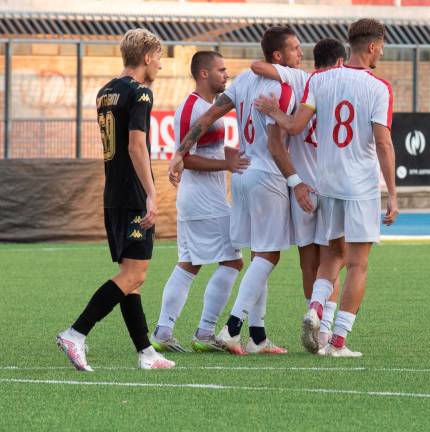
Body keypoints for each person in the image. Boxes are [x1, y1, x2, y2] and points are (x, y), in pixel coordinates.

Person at [255, 18, 398, 357]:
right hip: (360, 186)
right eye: (381, 47)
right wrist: (392, 192)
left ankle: (316, 307)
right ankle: (338, 342)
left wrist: (275, 111)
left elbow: (294, 125)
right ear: (373, 46)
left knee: (332, 256)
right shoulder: (379, 87)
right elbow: (383, 142)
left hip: (327, 184)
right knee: (358, 264)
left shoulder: (319, 80)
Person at [169, 26, 307, 355]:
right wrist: (295, 181)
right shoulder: (282, 85)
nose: (301, 54)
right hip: (266, 177)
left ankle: (257, 337)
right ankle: (232, 329)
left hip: (243, 175)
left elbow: (211, 113)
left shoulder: (244, 79)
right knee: (269, 255)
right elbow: (276, 144)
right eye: (295, 49)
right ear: (278, 56)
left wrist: (181, 150)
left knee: (258, 255)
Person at [56, 28, 175, 371]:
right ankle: (75, 333)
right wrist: (152, 194)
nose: (161, 67)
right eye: (160, 59)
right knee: (134, 275)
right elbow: (136, 145)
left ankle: (146, 353)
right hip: (132, 193)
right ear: (148, 57)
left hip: (113, 193)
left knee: (132, 277)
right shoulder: (140, 93)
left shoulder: (105, 90)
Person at [150, 51, 251, 353]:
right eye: (221, 70)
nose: (226, 75)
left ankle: (163, 331)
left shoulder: (206, 107)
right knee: (233, 261)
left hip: (203, 199)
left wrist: (227, 155)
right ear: (203, 74)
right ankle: (205, 333)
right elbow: (187, 159)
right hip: (203, 200)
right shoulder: (191, 108)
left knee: (189, 264)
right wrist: (225, 165)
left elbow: (205, 151)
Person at [249, 38, 347, 350]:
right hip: (331, 184)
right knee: (333, 259)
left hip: (301, 185)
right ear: (340, 62)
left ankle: (313, 320)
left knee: (308, 262)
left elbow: (257, 66)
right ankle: (326, 327)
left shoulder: (304, 80)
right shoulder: (340, 86)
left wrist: (275, 108)